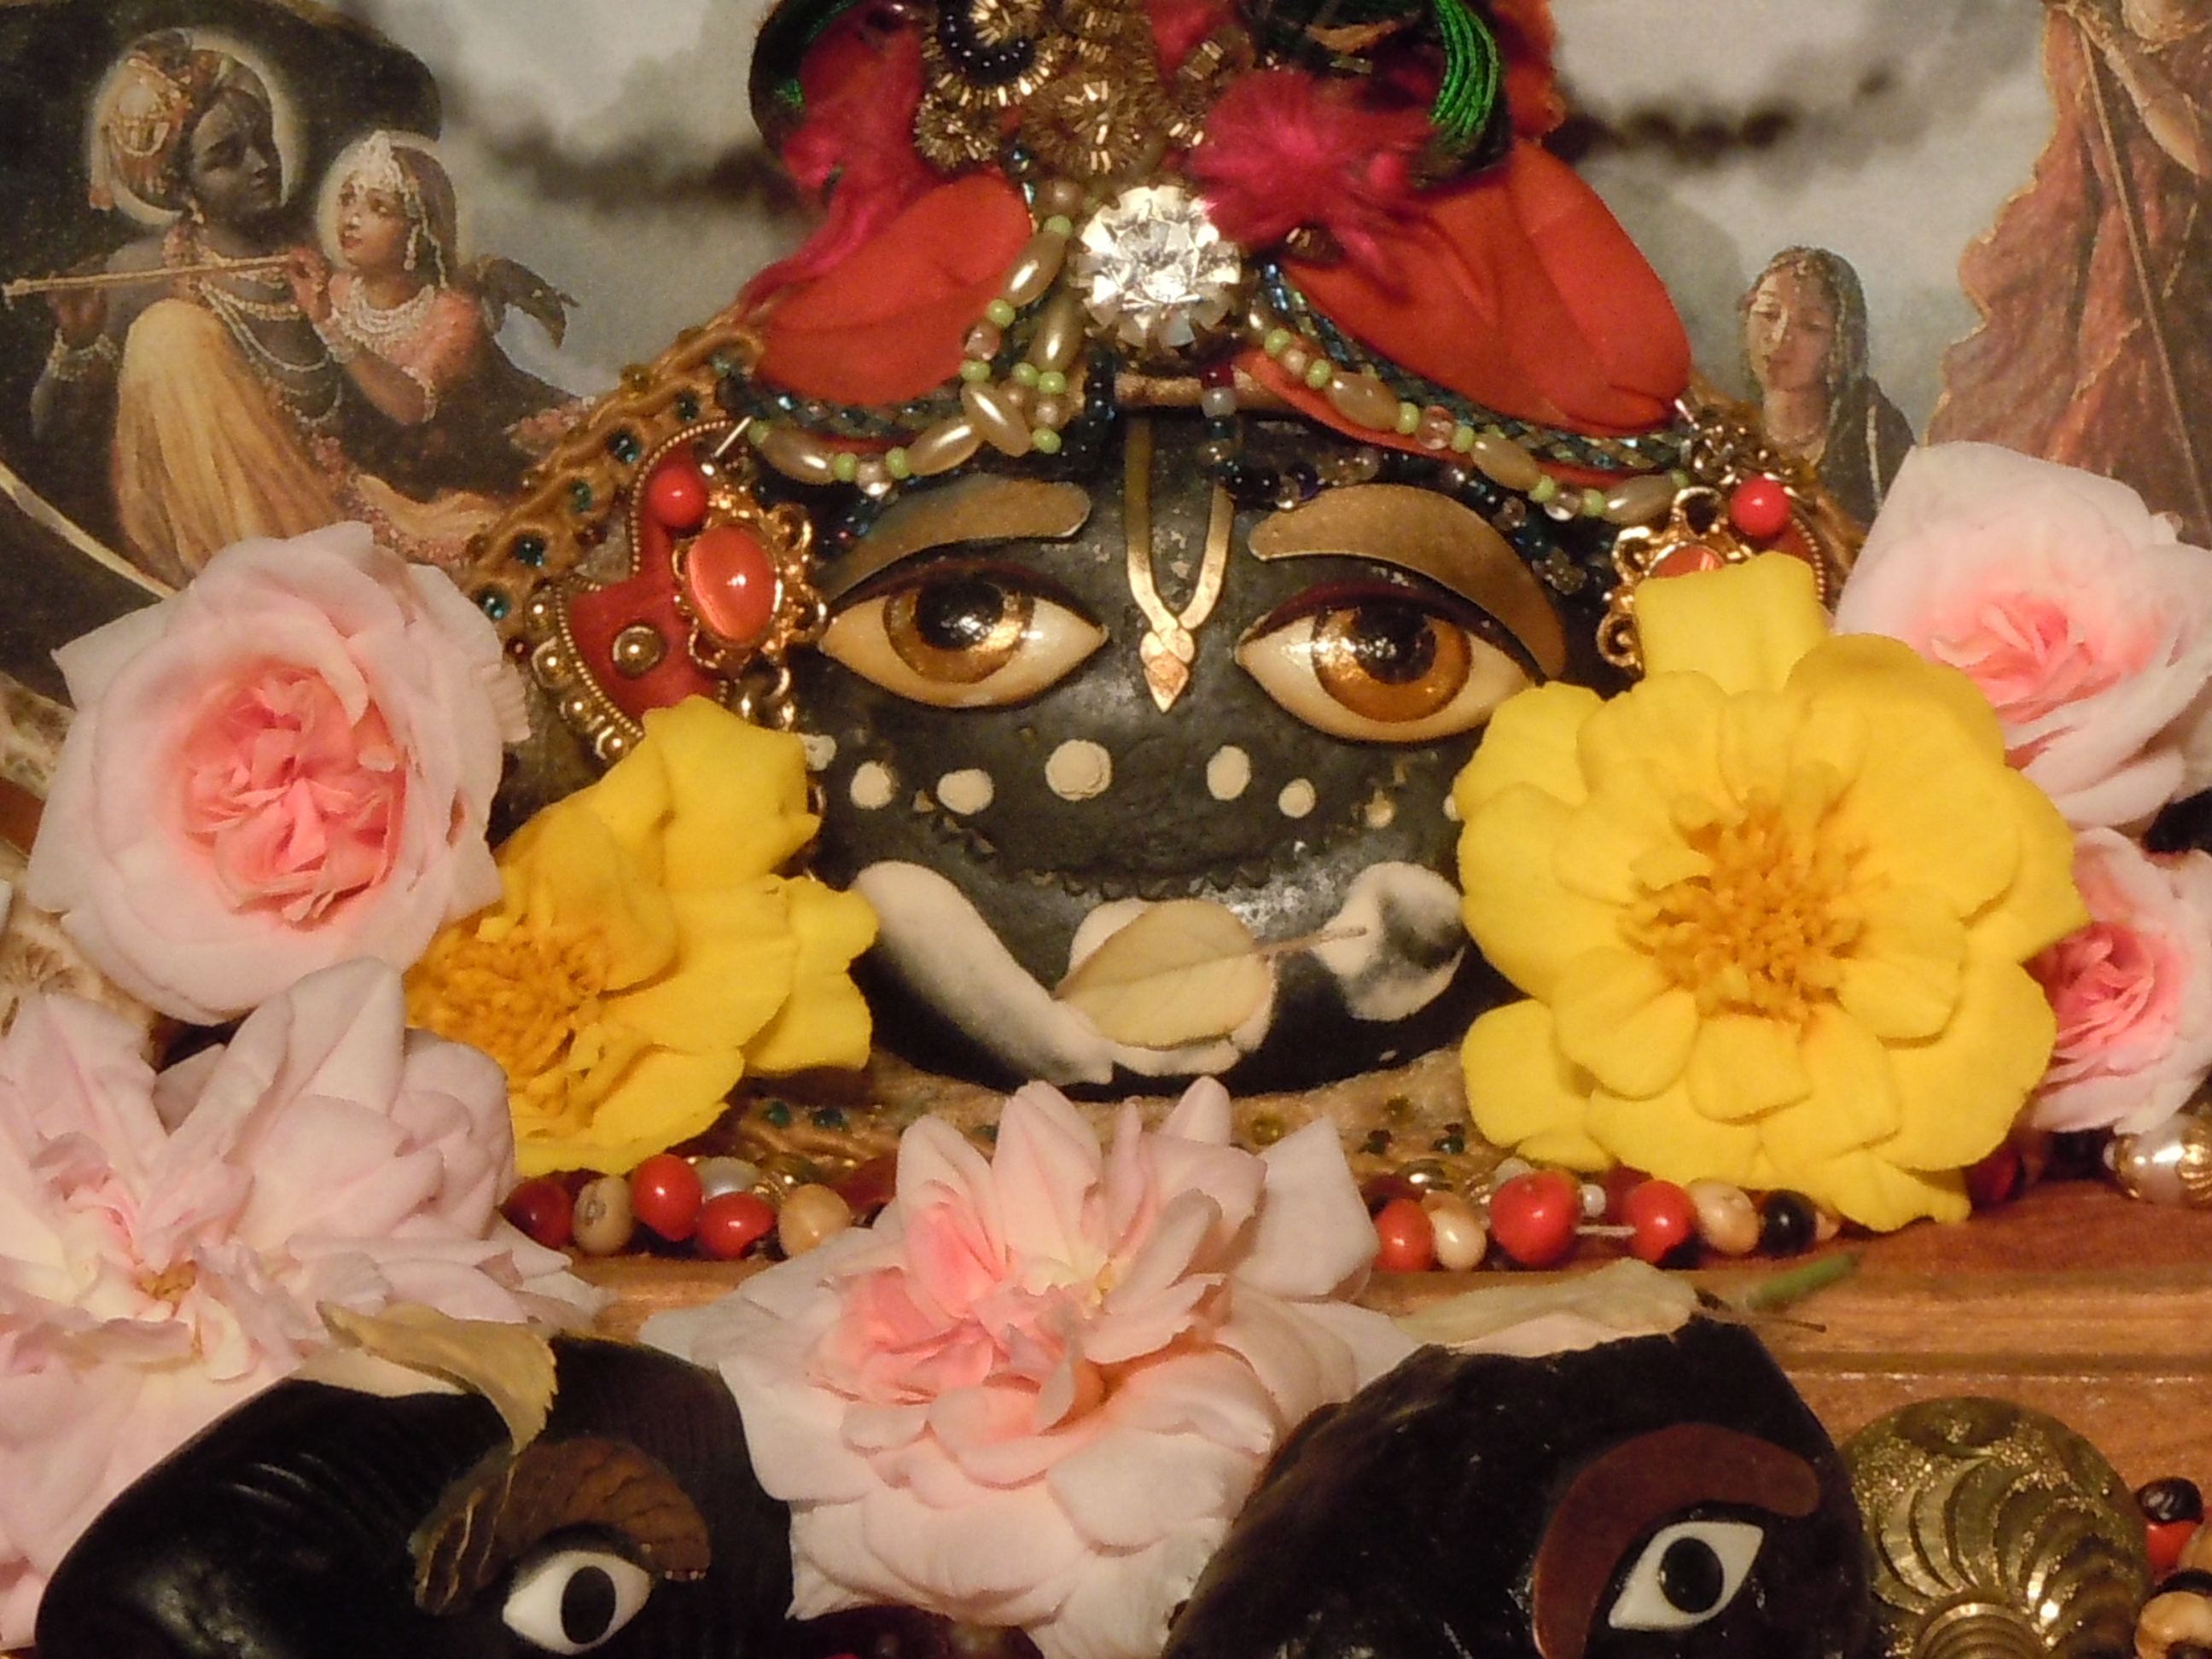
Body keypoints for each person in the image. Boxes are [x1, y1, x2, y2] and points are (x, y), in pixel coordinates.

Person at [31, 32, 345, 587]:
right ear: (182, 187)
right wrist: (74, 344)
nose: (260, 164)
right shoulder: (141, 272)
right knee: (170, 333)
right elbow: (49, 430)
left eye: (263, 141)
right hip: (215, 565)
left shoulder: (318, 261)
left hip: (333, 524)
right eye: (226, 157)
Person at [1929, 0, 2212, 543]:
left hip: (2196, 281)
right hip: (2117, 278)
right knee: (2101, 438)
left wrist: (2121, 50)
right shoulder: (2077, 33)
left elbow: (2201, 151)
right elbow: (2076, 169)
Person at [288, 130, 579, 533]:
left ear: (418, 232)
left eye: (379, 208)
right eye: (348, 199)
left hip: (441, 485)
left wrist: (328, 324)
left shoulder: (452, 314)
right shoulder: (332, 290)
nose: (352, 219)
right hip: (355, 475)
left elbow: (409, 407)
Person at [1741, 247, 1914, 527]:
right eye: (1769, 314)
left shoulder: (1874, 435)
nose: (1780, 338)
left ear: (1840, 344)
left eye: (1811, 326)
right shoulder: (1724, 425)